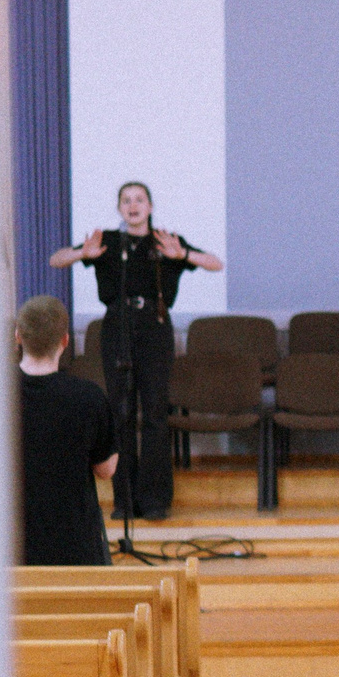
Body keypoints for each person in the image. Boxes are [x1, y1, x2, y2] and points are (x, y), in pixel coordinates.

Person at [50, 182, 222, 521]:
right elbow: (56, 260)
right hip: (117, 328)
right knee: (121, 413)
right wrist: (82, 254)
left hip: (155, 328)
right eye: (126, 201)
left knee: (155, 413)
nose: (133, 206)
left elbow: (216, 263)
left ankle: (156, 500)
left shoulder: (165, 240)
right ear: (119, 209)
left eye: (139, 200)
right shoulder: (108, 243)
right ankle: (125, 501)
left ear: (150, 206)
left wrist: (183, 255)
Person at [12, 295, 116, 566]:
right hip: (74, 547)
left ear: (18, 337)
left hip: (9, 545)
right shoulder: (88, 397)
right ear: (65, 341)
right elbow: (106, 470)